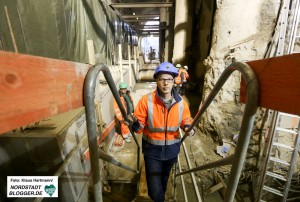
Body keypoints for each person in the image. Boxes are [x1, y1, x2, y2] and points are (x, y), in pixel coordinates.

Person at [130, 62, 195, 202]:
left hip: (172, 151)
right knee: (154, 192)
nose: (166, 83)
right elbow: (139, 125)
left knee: (164, 182)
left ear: (174, 81)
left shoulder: (181, 103)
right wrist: (134, 124)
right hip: (152, 151)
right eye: (162, 79)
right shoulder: (146, 101)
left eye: (169, 79)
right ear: (157, 81)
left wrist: (188, 127)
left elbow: (186, 119)